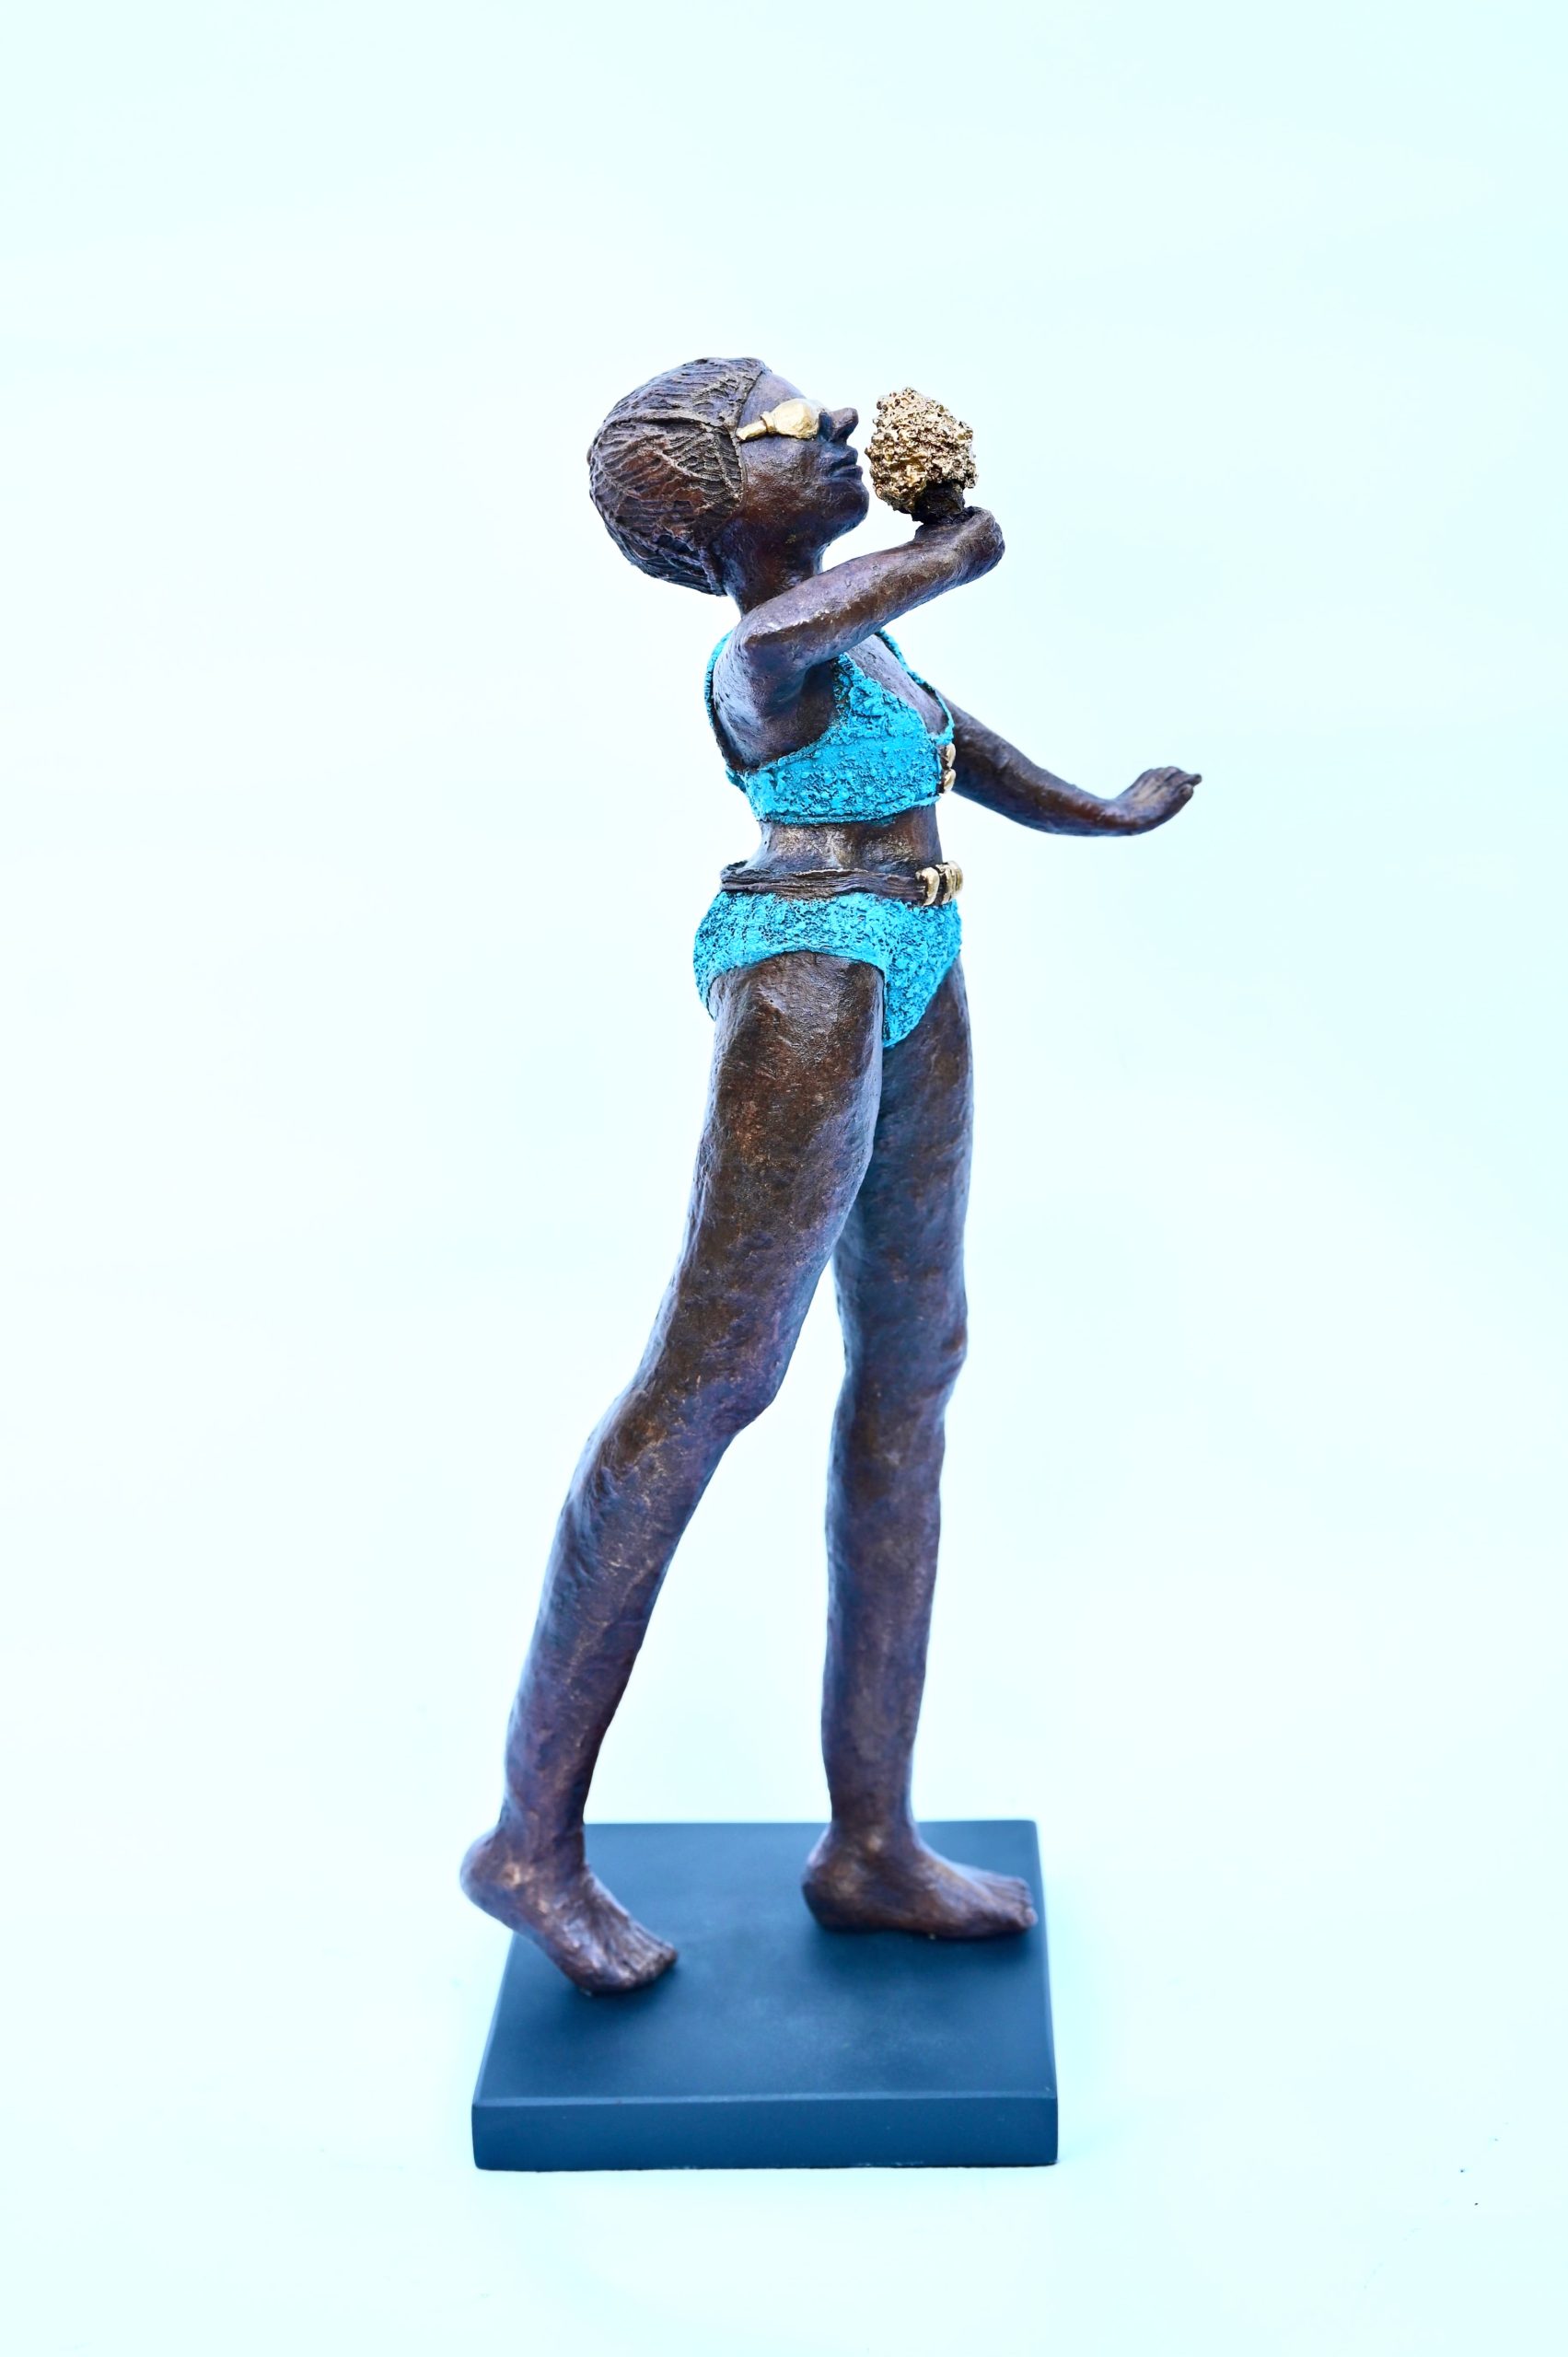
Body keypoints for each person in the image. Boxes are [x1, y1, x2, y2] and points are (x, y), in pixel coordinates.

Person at [461, 357, 1198, 1992]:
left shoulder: (860, 640)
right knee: (709, 1387)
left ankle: (871, 1841)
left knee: (916, 1362)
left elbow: (951, 752)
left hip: (915, 958)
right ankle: (526, 1844)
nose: (843, 428)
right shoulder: (762, 654)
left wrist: (1102, 811)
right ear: (720, 505)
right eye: (794, 429)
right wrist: (952, 543)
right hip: (807, 979)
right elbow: (815, 628)